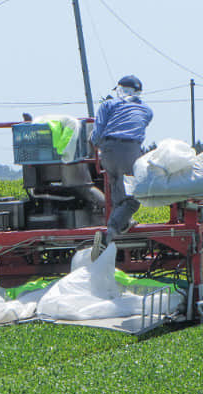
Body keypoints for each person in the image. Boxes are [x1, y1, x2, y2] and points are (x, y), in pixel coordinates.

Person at [90, 74, 153, 257]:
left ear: (119, 89)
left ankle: (123, 223)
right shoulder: (147, 110)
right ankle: (108, 234)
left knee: (117, 186)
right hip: (130, 150)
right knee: (133, 198)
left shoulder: (108, 105)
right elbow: (140, 125)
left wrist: (96, 144)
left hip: (108, 152)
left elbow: (96, 134)